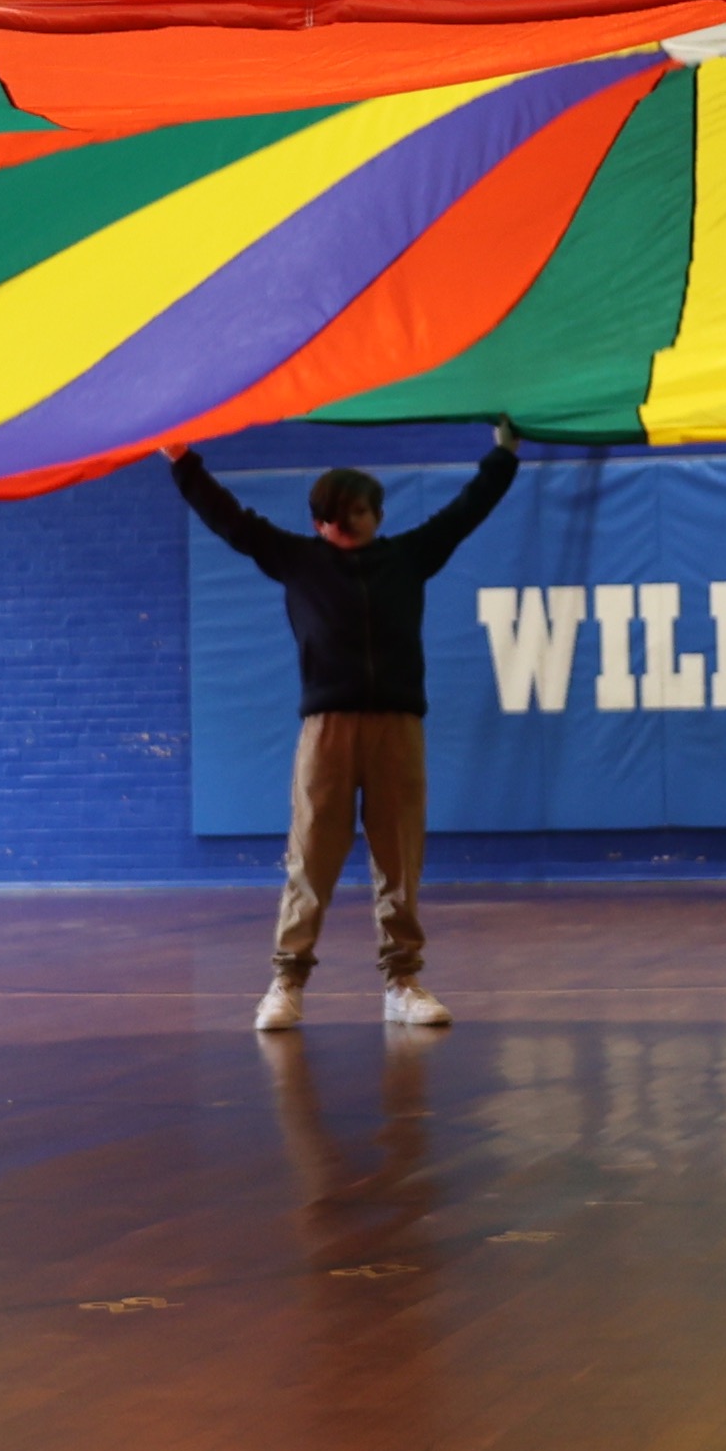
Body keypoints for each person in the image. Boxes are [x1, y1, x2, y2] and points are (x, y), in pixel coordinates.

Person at [173, 425, 522, 1031]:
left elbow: (468, 511)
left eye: (357, 513)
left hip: (397, 727)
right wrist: (182, 461)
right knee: (310, 858)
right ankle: (287, 982)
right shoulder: (297, 561)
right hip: (327, 730)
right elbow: (230, 520)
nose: (345, 525)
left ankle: (403, 981)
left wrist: (504, 454)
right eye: (333, 518)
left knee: (400, 859)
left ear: (377, 516)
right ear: (317, 525)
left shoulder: (408, 557)